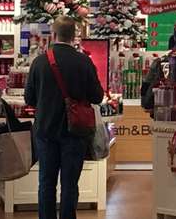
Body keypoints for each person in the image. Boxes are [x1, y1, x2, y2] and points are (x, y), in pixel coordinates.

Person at [25, 16, 104, 219]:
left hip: (45, 131)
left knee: (46, 183)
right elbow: (97, 96)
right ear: (73, 36)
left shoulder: (40, 62)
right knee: (70, 184)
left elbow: (29, 98)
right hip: (75, 132)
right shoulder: (84, 61)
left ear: (53, 35)